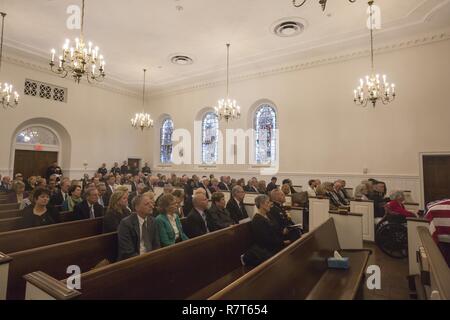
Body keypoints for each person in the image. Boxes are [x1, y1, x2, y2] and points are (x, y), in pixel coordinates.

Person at [243, 195, 286, 266]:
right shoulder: (257, 220)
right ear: (261, 204)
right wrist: (283, 242)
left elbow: (277, 227)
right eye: (268, 202)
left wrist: (283, 232)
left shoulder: (268, 215)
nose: (270, 205)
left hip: (277, 244)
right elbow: (265, 240)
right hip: (268, 249)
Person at [117, 194, 160, 261]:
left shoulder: (152, 221)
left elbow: (156, 244)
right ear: (137, 207)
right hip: (133, 261)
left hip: (150, 258)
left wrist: (155, 257)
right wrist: (144, 260)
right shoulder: (126, 223)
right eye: (147, 204)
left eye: (151, 203)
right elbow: (127, 251)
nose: (151, 206)